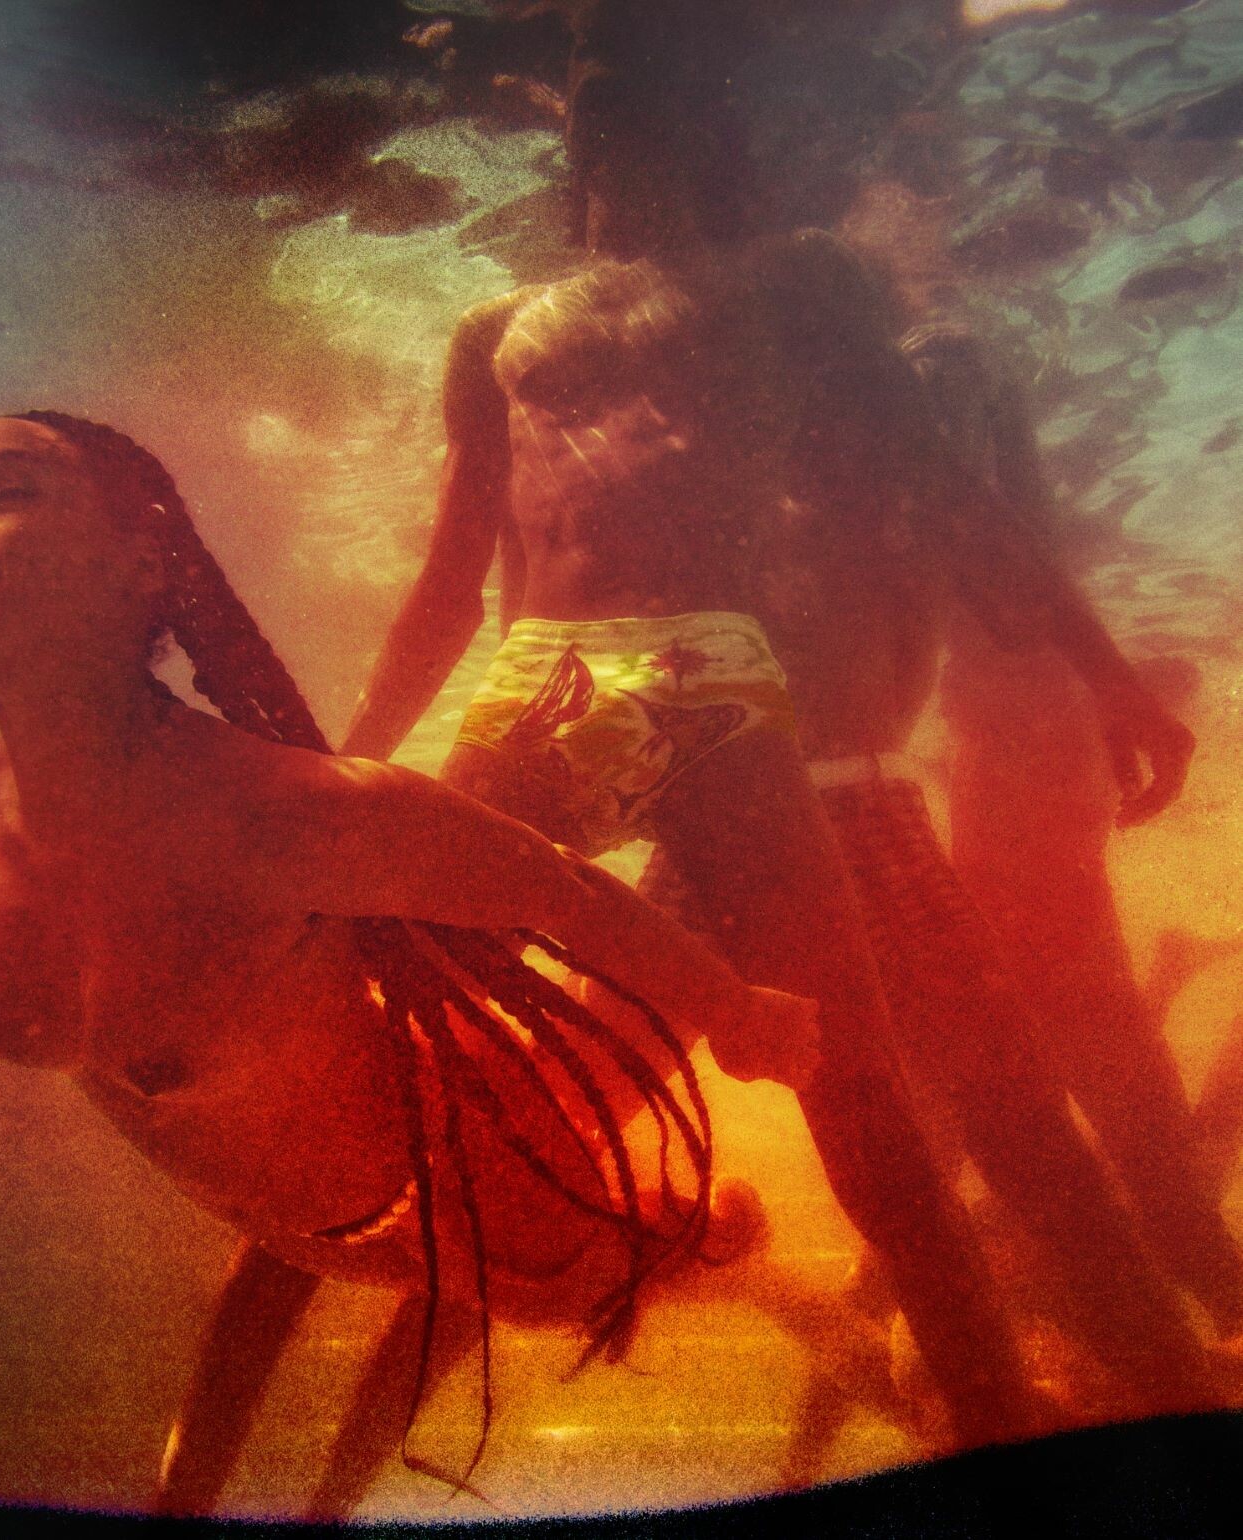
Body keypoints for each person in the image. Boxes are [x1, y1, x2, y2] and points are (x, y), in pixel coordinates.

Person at [339, 1, 1227, 1447]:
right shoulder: (499, 332)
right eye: (595, 98)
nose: (616, 129)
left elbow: (947, 497)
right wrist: (354, 762)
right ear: (570, 127)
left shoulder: (800, 292)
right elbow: (453, 578)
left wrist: (1107, 675)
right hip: (562, 692)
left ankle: (1072, 1414)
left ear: (717, 126)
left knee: (917, 1114)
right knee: (390, 990)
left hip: (770, 737)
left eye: (649, 97)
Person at [0, 409, 822, 1501]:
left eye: (6, 489)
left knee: (634, 1271)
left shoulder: (285, 815)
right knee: (297, 1326)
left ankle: (746, 1263)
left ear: (141, 565)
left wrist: (738, 1012)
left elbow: (560, 890)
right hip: (309, 1213)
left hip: (474, 1182)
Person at [914, 321, 1243, 1342]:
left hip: (1022, 738)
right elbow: (990, 541)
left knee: (1079, 1010)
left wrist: (1116, 694)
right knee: (1075, 1007)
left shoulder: (981, 584)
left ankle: (1196, 1254)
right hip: (1022, 732)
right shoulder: (997, 603)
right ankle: (1196, 1254)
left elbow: (979, 534)